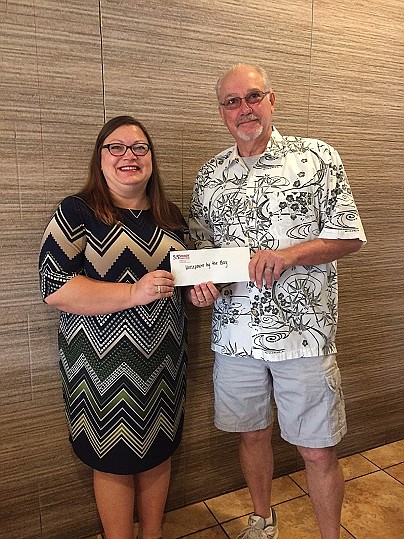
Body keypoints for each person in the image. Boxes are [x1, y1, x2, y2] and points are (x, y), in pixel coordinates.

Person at [189, 65, 366, 539]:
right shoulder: (209, 175)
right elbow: (201, 252)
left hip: (303, 335)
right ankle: (261, 519)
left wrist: (288, 256)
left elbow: (348, 236)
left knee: (318, 448)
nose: (243, 109)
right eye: (231, 101)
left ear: (272, 100)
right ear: (221, 111)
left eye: (252, 97)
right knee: (252, 434)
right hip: (234, 335)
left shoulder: (317, 158)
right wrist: (201, 287)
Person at [39, 115, 217, 539]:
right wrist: (132, 294)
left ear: (151, 159)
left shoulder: (171, 217)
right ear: (99, 159)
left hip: (164, 362)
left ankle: (152, 534)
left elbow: (187, 283)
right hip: (99, 370)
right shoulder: (76, 212)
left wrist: (199, 294)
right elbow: (54, 288)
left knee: (157, 452)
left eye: (139, 148)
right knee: (112, 460)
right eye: (115, 147)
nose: (128, 156)